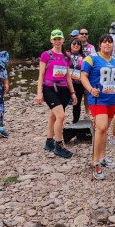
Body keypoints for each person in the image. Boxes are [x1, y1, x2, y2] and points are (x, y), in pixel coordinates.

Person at [81, 34, 115, 180]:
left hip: (112, 99)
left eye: (110, 42)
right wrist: (91, 89)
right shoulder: (91, 58)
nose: (107, 44)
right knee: (102, 128)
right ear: (99, 45)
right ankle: (95, 162)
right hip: (97, 99)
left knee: (104, 130)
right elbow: (83, 76)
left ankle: (103, 157)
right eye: (104, 42)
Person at [36, 30, 77, 158]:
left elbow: (68, 77)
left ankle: (49, 142)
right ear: (51, 40)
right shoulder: (46, 55)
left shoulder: (66, 57)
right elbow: (41, 75)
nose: (58, 41)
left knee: (53, 116)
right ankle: (59, 146)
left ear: (63, 40)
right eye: (55, 39)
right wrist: (39, 93)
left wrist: (73, 93)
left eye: (60, 38)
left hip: (64, 90)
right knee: (61, 116)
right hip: (49, 89)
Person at [79, 28, 95, 120]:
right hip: (76, 74)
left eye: (86, 33)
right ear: (79, 35)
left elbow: (94, 60)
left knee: (86, 93)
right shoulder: (75, 44)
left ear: (88, 35)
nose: (84, 35)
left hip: (87, 73)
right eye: (82, 33)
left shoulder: (91, 47)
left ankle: (87, 112)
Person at [68, 38, 86, 123]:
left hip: (79, 83)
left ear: (80, 46)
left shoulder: (84, 57)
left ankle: (75, 121)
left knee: (77, 103)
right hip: (66, 83)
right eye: (74, 44)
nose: (76, 45)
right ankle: (60, 119)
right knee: (63, 101)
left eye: (78, 44)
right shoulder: (66, 55)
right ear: (70, 45)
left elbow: (86, 71)